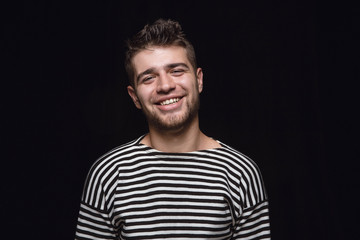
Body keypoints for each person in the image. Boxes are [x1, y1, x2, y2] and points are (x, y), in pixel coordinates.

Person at [75, 19, 271, 240]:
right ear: (134, 97)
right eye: (149, 77)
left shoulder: (241, 174)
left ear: (199, 80)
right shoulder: (108, 174)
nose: (165, 85)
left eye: (176, 71)